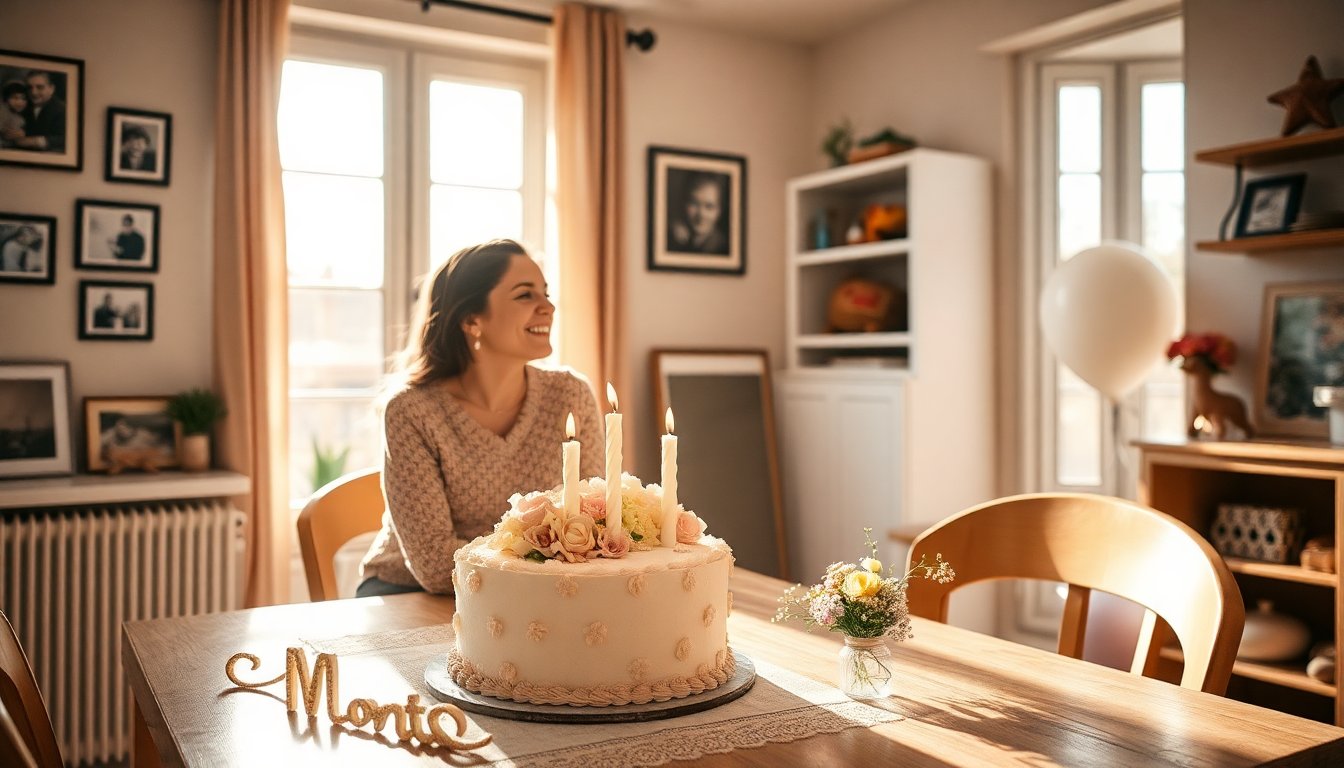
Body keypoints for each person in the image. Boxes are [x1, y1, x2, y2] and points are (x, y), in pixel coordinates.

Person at [357, 239, 603, 597]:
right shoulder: (412, 411)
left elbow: (596, 525)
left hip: (537, 593)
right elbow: (435, 566)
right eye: (525, 295)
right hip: (408, 594)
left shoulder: (570, 394)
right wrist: (550, 555)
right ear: (472, 319)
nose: (547, 306)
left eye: (545, 293)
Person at [3, 70, 65, 152]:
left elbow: (66, 138)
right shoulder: (24, 105)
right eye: (29, 87)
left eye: (40, 87)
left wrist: (36, 141)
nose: (33, 92)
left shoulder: (62, 109)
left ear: (51, 89)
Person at [668, 171, 729, 254]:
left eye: (709, 206)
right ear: (683, 204)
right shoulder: (674, 238)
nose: (701, 214)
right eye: (694, 203)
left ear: (719, 210)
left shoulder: (722, 247)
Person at [0, 81, 27, 149]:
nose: (19, 102)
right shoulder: (3, 113)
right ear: (6, 99)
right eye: (15, 98)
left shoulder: (20, 118)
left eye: (23, 99)